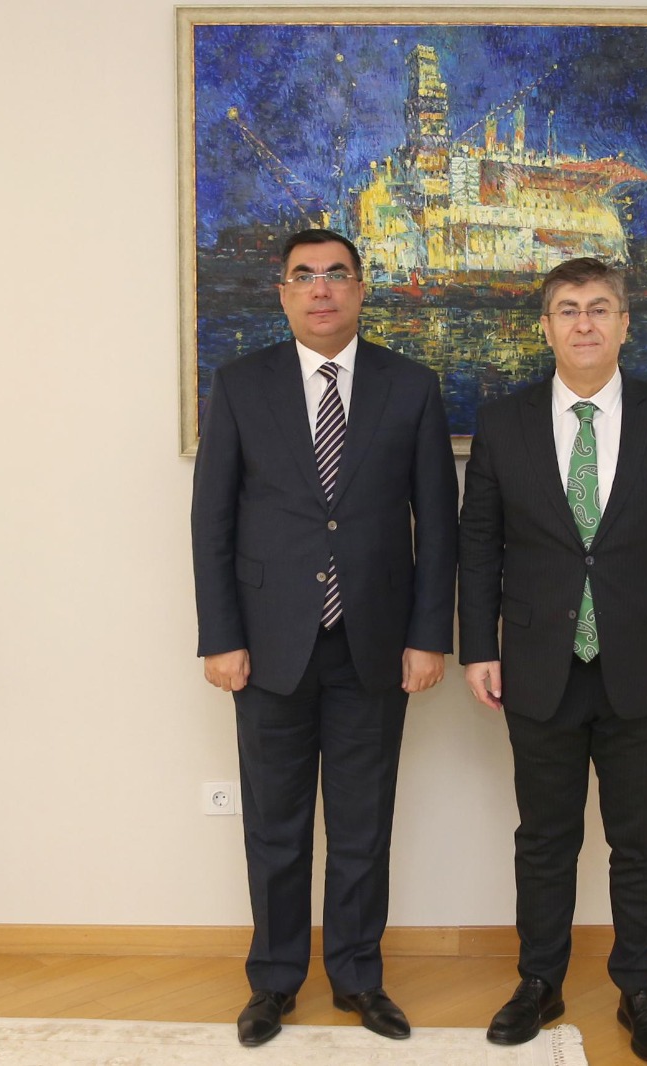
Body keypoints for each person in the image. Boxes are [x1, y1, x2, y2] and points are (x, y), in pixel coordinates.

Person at [191, 228, 459, 1047]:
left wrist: (428, 636)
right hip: (267, 646)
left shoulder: (410, 386)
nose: (321, 288)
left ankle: (357, 977)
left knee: (362, 826)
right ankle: (273, 982)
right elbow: (211, 521)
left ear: (360, 289)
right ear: (283, 293)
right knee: (274, 828)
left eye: (336, 274)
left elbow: (437, 524)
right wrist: (220, 636)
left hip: (374, 643)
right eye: (304, 276)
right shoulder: (241, 385)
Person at [457, 257, 647, 1064]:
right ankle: (539, 981)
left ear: (623, 324)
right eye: (568, 309)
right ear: (545, 327)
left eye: (599, 308)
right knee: (544, 837)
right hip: (537, 664)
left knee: (640, 839)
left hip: (643, 663)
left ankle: (640, 990)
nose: (584, 323)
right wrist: (479, 648)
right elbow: (480, 546)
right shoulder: (503, 423)